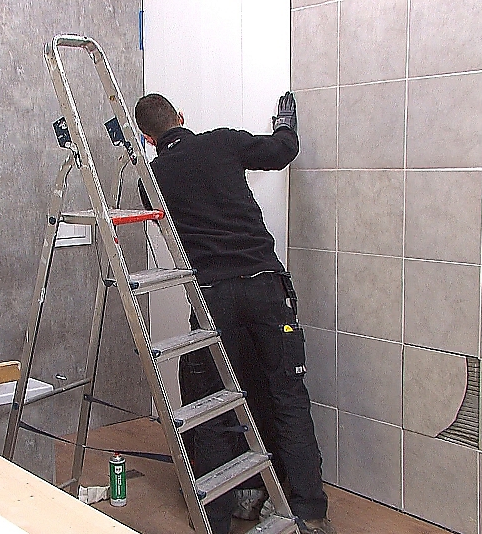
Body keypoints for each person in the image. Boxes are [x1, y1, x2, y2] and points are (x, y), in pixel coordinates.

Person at [134, 92, 334, 534]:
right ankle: (309, 512)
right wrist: (284, 124)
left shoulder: (153, 177)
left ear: (148, 138)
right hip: (265, 288)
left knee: (210, 403)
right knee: (286, 396)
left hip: (212, 300)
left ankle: (217, 515)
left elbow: (152, 212)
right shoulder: (222, 142)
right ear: (181, 116)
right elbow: (282, 151)